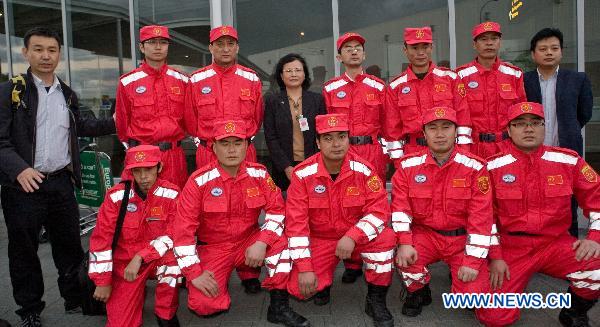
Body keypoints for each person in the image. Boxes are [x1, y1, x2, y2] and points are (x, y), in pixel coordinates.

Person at [0, 27, 116, 326]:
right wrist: (19, 169)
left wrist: (118, 121)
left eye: (51, 50)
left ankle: (74, 299)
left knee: (69, 247)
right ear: (25, 53)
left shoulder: (66, 93)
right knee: (24, 252)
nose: (45, 55)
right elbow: (1, 140)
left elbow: (84, 126)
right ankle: (30, 311)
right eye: (38, 49)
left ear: (59, 54)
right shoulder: (11, 91)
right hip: (24, 185)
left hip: (61, 183)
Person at [172, 120, 308, 327]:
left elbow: (278, 211)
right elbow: (183, 233)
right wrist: (195, 274)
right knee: (203, 305)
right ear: (213, 148)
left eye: (237, 143)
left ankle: (278, 307)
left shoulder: (260, 173)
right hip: (214, 248)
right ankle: (226, 276)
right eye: (225, 144)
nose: (232, 150)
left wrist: (262, 242)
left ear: (247, 146)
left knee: (281, 244)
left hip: (249, 241)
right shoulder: (198, 181)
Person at [478, 102, 600, 326]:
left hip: (556, 244)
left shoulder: (568, 161)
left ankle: (575, 311)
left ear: (545, 127)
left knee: (597, 264)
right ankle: (508, 291)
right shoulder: (491, 168)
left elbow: (597, 199)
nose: (528, 129)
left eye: (535, 123)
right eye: (520, 124)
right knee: (495, 317)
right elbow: (485, 218)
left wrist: (594, 238)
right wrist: (495, 256)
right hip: (511, 249)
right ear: (509, 130)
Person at [286, 113, 396, 327]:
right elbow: (296, 225)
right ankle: (323, 282)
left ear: (348, 139)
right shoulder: (302, 175)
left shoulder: (364, 169)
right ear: (317, 143)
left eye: (341, 137)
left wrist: (353, 236)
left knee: (386, 239)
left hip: (355, 237)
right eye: (328, 138)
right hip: (320, 239)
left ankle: (376, 300)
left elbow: (380, 211)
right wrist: (306, 267)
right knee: (299, 289)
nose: (336, 144)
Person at [392, 107, 493, 324]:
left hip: (461, 240)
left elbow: (481, 219)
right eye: (433, 128)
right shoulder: (407, 166)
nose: (439, 134)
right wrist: (404, 242)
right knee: (406, 259)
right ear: (424, 133)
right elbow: (400, 209)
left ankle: (461, 278)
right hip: (425, 235)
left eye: (446, 127)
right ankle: (418, 291)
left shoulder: (476, 167)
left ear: (456, 131)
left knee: (475, 298)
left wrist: (473, 261)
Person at [88, 145, 182, 327]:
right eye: (137, 171)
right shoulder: (115, 197)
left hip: (157, 259)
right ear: (129, 172)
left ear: (160, 167)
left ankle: (165, 315)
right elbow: (101, 240)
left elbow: (174, 234)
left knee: (174, 262)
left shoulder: (172, 194)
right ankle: (135, 293)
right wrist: (103, 281)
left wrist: (141, 256)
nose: (144, 177)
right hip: (124, 266)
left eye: (148, 169)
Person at [322, 33, 389, 283]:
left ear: (364, 54)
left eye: (358, 48)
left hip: (371, 151)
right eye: (347, 48)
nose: (353, 52)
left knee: (370, 205)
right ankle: (352, 265)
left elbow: (389, 125)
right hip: (342, 153)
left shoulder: (378, 86)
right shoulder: (330, 89)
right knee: (345, 204)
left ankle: (369, 256)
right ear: (339, 57)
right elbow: (325, 128)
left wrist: (391, 157)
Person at [524, 27, 594, 238]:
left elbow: (584, 113)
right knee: (533, 194)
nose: (549, 52)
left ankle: (570, 238)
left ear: (561, 52)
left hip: (565, 148)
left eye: (554, 48)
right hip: (531, 149)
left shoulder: (577, 79)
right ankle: (536, 238)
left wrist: (569, 129)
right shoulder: (523, 80)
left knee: (567, 195)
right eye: (543, 48)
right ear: (533, 54)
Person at [115, 25, 189, 189]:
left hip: (174, 156)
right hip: (142, 158)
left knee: (175, 204)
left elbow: (190, 120)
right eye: (152, 42)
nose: (158, 47)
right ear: (141, 47)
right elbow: (122, 125)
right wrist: (136, 152)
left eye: (163, 42)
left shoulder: (182, 80)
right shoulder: (127, 82)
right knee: (140, 207)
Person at [385, 27, 471, 166]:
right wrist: (399, 163)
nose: (420, 52)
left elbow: (463, 119)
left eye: (425, 46)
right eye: (414, 47)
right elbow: (392, 130)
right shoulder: (396, 87)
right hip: (413, 154)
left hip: (449, 152)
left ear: (432, 47)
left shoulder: (451, 79)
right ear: (405, 50)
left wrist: (462, 155)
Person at [185, 25, 263, 169]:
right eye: (220, 44)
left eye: (230, 44)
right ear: (210, 48)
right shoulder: (197, 80)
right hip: (209, 153)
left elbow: (257, 119)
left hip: (243, 152)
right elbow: (190, 121)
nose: (225, 49)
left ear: (237, 48)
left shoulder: (251, 78)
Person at [456, 21, 527, 159]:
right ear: (474, 44)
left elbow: (521, 114)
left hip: (507, 147)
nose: (489, 43)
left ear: (500, 42)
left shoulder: (514, 74)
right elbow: (458, 116)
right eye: (483, 39)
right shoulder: (461, 76)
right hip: (474, 148)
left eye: (494, 39)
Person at [264, 53, 326, 191]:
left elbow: (322, 134)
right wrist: (286, 167)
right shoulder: (272, 101)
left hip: (314, 164)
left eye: (298, 70)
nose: (293, 74)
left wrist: (313, 164)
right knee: (286, 207)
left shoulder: (317, 100)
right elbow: (271, 137)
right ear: (281, 76)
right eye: (288, 71)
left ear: (305, 74)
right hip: (283, 168)